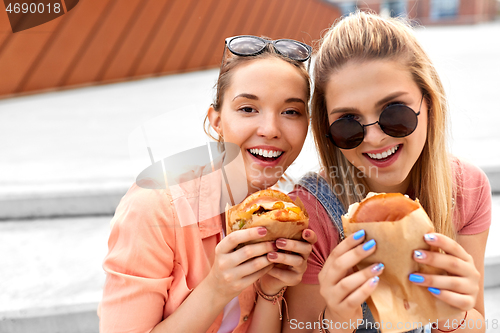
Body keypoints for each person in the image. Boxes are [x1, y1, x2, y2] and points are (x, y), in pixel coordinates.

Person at [285, 11, 491, 333]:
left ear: (429, 103)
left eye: (394, 113)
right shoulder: (310, 212)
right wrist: (336, 322)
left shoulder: (468, 189)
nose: (374, 138)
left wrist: (454, 316)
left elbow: (478, 320)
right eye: (348, 124)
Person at [98, 35, 317, 333]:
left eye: (291, 112)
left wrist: (271, 288)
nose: (270, 130)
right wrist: (217, 287)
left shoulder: (281, 216)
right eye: (248, 109)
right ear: (216, 121)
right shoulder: (156, 208)